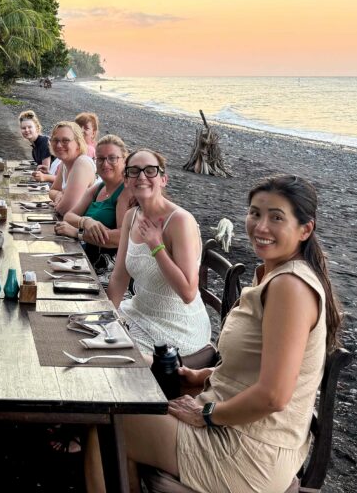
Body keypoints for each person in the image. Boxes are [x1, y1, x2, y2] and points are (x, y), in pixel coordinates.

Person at [86, 175, 343, 493]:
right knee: (127, 392)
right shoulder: (273, 273)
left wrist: (208, 414)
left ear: (305, 229)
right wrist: (203, 375)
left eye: (276, 217)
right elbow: (257, 364)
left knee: (105, 424)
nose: (261, 226)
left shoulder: (290, 288)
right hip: (241, 428)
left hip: (248, 452)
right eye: (255, 213)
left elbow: (274, 395)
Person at [105, 149, 210, 358]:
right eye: (134, 171)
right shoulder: (131, 216)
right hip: (139, 312)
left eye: (150, 170)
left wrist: (156, 245)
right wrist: (106, 317)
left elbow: (188, 293)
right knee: (85, 333)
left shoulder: (180, 221)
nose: (142, 176)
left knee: (112, 357)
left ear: (163, 179)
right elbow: (119, 277)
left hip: (178, 328)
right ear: (126, 180)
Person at [55, 134, 133, 269]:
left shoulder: (125, 191)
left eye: (112, 158)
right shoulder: (99, 187)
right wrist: (86, 222)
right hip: (86, 258)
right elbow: (69, 216)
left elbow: (121, 238)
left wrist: (77, 233)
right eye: (100, 159)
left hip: (106, 268)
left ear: (125, 161)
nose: (105, 163)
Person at [47, 121, 96, 217]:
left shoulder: (82, 163)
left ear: (78, 143)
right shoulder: (64, 163)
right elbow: (52, 191)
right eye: (55, 140)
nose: (59, 145)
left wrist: (60, 203)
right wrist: (58, 195)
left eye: (65, 140)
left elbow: (66, 209)